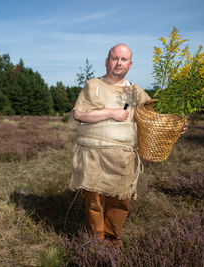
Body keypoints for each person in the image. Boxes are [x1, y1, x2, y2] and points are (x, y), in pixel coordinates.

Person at [68, 43, 151, 244]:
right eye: (115, 58)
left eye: (123, 59)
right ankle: (96, 242)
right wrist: (110, 113)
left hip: (122, 157)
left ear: (130, 64)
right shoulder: (93, 85)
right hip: (93, 154)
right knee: (94, 201)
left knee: (121, 201)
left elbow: (153, 118)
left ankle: (112, 240)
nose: (118, 63)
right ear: (107, 61)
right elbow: (79, 114)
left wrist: (176, 126)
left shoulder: (136, 93)